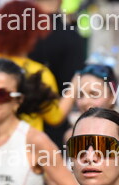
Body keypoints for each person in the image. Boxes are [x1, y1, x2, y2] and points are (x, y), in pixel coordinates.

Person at [0, 0, 74, 132]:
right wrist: (75, 85)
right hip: (25, 144)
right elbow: (55, 117)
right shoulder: (38, 73)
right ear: (32, 34)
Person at [30, 0, 88, 148]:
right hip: (52, 134)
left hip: (11, 134)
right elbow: (72, 84)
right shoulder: (70, 37)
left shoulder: (16, 31)